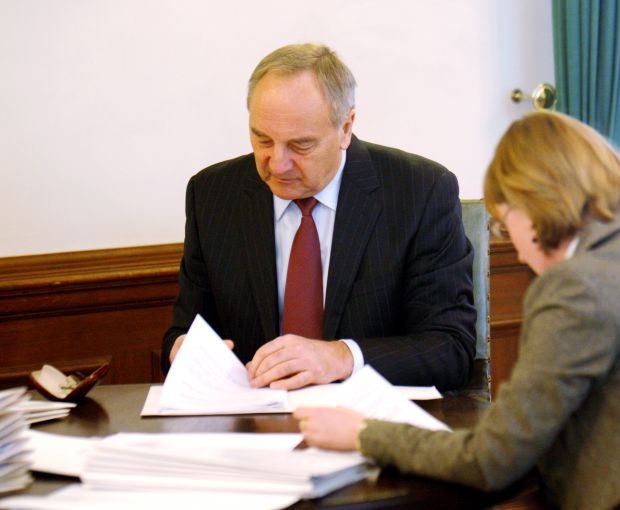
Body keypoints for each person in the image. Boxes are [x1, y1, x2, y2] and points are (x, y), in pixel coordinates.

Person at [294, 110, 620, 509]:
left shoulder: (577, 288)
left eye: (502, 220)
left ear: (528, 207)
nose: (507, 236)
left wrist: (364, 433)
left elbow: (492, 459)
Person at [161, 43, 476, 392]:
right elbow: (184, 332)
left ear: (346, 128)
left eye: (301, 145)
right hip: (255, 415)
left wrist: (342, 357)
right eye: (262, 140)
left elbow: (450, 347)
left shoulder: (419, 192)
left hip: (371, 418)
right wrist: (183, 350)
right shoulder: (212, 195)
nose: (277, 163)